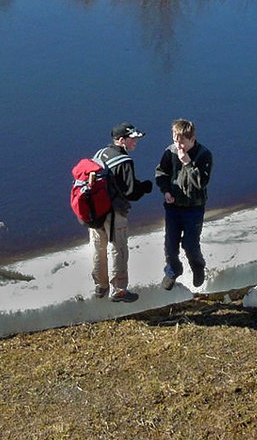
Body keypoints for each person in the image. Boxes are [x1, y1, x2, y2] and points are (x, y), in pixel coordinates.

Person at [91, 122, 152, 302]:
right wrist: (146, 187)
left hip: (95, 212)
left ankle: (100, 286)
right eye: (132, 139)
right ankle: (119, 289)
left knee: (98, 248)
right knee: (119, 249)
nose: (135, 143)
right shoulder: (124, 161)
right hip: (114, 213)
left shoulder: (100, 154)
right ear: (121, 140)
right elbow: (130, 192)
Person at [155, 118, 213, 290]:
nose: (178, 147)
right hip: (173, 208)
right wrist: (165, 191)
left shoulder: (204, 155)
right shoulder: (170, 151)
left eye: (182, 143)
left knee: (190, 244)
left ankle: (198, 267)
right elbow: (161, 173)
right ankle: (173, 270)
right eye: (175, 141)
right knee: (170, 244)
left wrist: (187, 162)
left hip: (194, 208)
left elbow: (201, 182)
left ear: (192, 139)